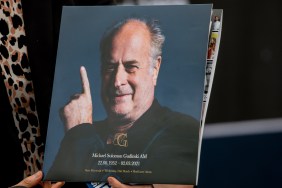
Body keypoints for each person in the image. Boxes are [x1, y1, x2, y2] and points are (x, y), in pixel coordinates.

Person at [45, 17, 199, 187]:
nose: (117, 81)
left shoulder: (183, 130)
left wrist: (79, 133)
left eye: (131, 66)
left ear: (155, 69)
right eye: (110, 67)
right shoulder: (87, 131)